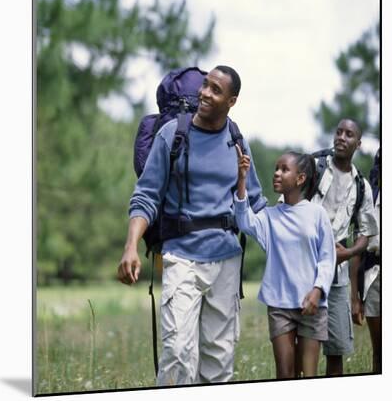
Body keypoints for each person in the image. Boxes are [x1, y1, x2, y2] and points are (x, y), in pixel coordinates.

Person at [117, 65, 267, 385]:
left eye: (215, 89)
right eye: (205, 86)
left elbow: (256, 203)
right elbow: (145, 196)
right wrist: (131, 246)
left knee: (218, 359)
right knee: (176, 355)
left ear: (232, 101)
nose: (205, 93)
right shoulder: (172, 135)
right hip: (181, 257)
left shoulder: (237, 140)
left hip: (226, 260)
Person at [234, 149, 336, 379]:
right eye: (276, 169)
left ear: (300, 179)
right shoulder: (269, 216)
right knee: (285, 375)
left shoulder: (317, 214)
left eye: (284, 169)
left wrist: (318, 290)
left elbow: (327, 259)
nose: (277, 173)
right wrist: (242, 179)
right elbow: (244, 220)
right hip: (279, 305)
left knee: (309, 375)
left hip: (312, 304)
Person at [310, 118, 378, 376]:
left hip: (337, 278)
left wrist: (346, 254)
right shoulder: (313, 167)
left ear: (358, 144)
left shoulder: (362, 185)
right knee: (304, 342)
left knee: (336, 347)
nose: (341, 137)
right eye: (338, 132)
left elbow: (366, 234)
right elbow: (287, 208)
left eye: (349, 134)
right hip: (303, 268)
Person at [350, 148, 381, 373]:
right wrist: (355, 296)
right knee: (379, 350)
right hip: (374, 273)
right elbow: (360, 246)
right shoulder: (372, 195)